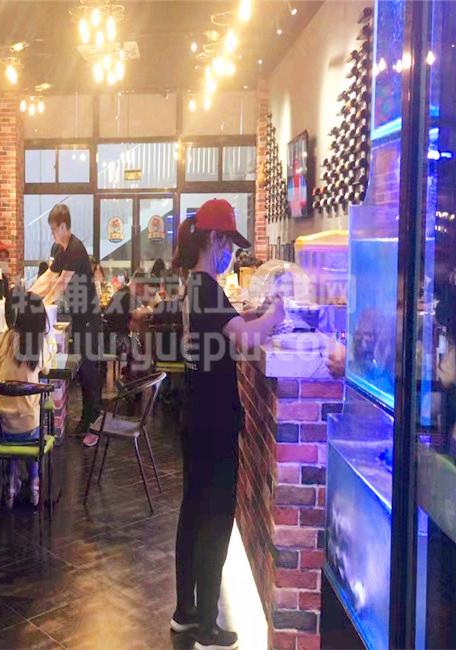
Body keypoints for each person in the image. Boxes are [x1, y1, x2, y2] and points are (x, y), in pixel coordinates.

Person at [171, 199, 284, 648]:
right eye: (230, 245)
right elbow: (246, 337)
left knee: (193, 513)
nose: (232, 254)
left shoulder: (195, 288)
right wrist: (278, 313)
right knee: (215, 520)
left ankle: (186, 612)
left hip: (195, 416)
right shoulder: (207, 290)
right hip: (213, 421)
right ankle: (207, 624)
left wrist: (256, 317)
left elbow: (230, 330)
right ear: (215, 239)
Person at [30, 204, 101, 447]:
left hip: (89, 318)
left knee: (89, 372)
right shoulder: (62, 249)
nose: (52, 233)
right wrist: (28, 296)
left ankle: (95, 425)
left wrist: (39, 306)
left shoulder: (76, 249)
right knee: (82, 370)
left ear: (62, 226)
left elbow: (61, 284)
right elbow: (49, 277)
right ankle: (86, 421)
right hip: (79, 318)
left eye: (53, 229)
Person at [0, 292, 54, 508]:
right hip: (29, 426)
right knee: (33, 417)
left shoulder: (5, 338)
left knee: (11, 437)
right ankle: (34, 482)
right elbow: (47, 368)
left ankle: (11, 483)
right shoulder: (39, 343)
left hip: (2, 426)